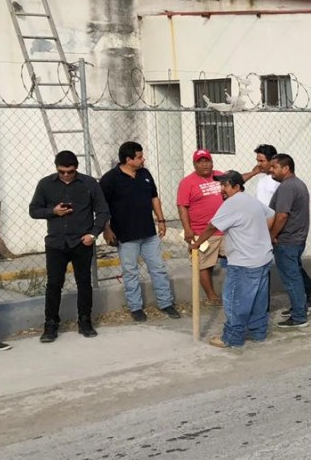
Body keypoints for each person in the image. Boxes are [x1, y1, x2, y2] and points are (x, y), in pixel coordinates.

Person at [28, 150, 110, 342]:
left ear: (76, 169)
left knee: (84, 283)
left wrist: (93, 234)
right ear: (56, 168)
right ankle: (50, 324)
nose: (66, 175)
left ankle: (84, 320)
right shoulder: (45, 184)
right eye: (62, 171)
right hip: (56, 243)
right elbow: (33, 210)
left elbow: (103, 212)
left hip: (82, 241)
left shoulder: (89, 184)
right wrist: (53, 211)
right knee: (54, 284)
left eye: (70, 171)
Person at [189, 171, 275, 348]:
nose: (222, 189)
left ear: (236, 186)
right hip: (262, 258)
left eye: (225, 185)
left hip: (244, 262)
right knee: (259, 299)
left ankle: (232, 338)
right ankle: (258, 333)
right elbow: (271, 214)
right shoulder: (250, 200)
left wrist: (196, 244)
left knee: (235, 300)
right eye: (221, 185)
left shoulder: (232, 203)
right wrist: (258, 234)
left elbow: (212, 227)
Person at [100, 141, 181, 322]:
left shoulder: (144, 174)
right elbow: (102, 207)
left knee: (158, 268)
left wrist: (161, 220)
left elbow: (154, 198)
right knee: (130, 272)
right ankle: (135, 307)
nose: (143, 160)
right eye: (139, 157)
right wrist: (106, 229)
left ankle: (166, 303)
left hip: (148, 233)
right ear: (128, 160)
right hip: (126, 235)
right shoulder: (110, 179)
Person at [269, 153, 311, 328]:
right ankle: (299, 308)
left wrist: (271, 235)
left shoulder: (287, 187)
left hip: (287, 240)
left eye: (274, 167)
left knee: (291, 279)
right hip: (296, 239)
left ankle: (299, 316)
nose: (271, 170)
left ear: (286, 168)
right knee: (295, 275)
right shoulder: (298, 184)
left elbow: (282, 215)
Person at [177, 149, 225, 306]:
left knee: (237, 258)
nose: (205, 164)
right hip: (202, 232)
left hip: (224, 230)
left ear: (212, 162)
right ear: (194, 164)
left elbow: (238, 180)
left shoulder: (219, 175)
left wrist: (253, 173)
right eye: (200, 161)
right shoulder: (187, 182)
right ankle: (212, 296)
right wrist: (188, 229)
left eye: (207, 160)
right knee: (203, 264)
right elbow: (182, 206)